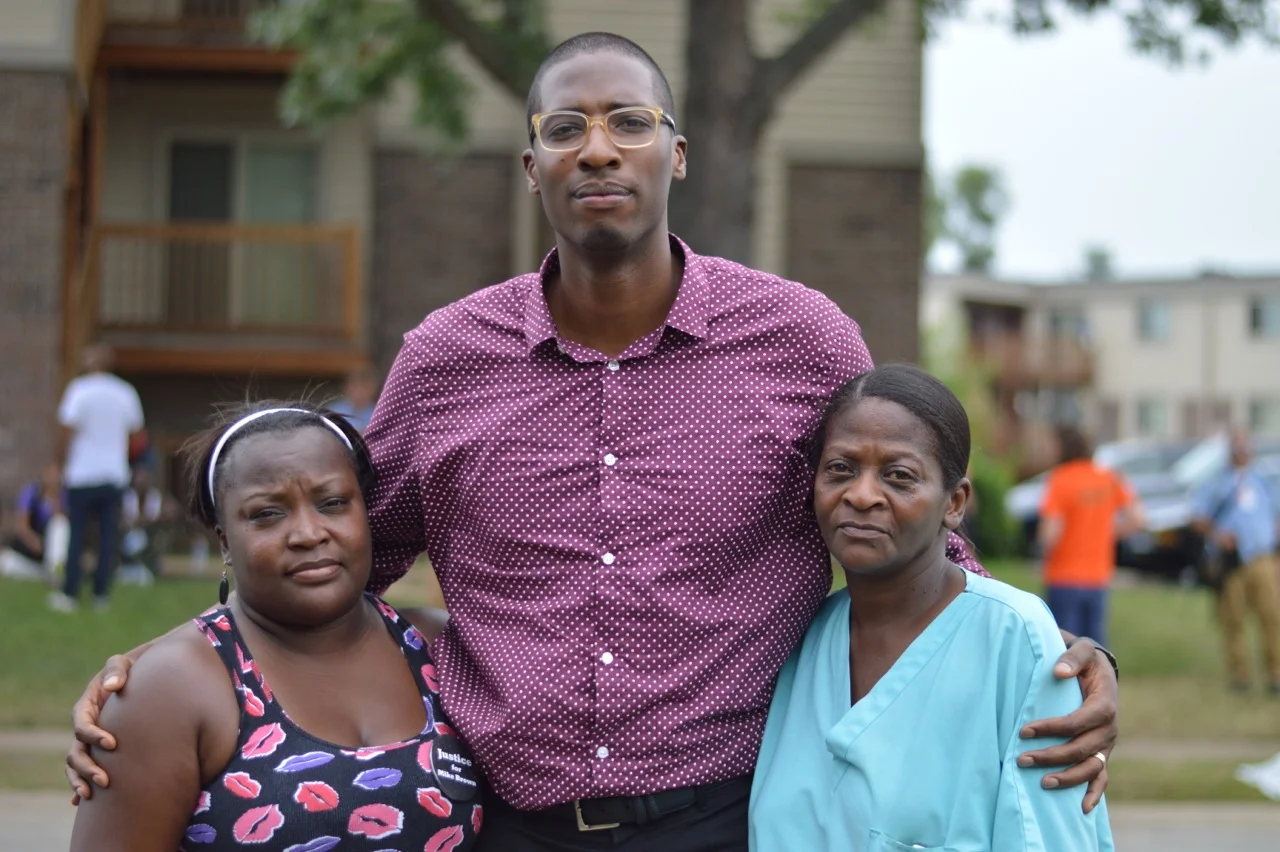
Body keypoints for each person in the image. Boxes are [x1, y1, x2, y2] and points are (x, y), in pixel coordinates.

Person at [67, 32, 1119, 850]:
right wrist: (166, 675)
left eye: (627, 121)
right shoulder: (444, 360)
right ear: (532, 167)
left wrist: (1047, 658)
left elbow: (897, 511)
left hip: (729, 818)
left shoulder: (799, 339)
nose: (598, 147)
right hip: (509, 823)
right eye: (566, 129)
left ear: (677, 151)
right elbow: (339, 569)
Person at [68, 402, 481, 851]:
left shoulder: (437, 648)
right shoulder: (170, 687)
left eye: (333, 503)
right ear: (224, 539)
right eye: (267, 514)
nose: (308, 532)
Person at [749, 365, 1114, 851]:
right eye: (840, 468)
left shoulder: (1014, 640)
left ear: (955, 502)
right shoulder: (801, 644)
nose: (861, 495)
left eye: (899, 476)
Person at [50, 344, 145, 613]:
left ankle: (70, 592)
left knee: (77, 533)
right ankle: (101, 593)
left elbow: (66, 432)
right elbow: (137, 434)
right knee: (107, 535)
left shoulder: (78, 390)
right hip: (113, 473)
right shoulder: (125, 392)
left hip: (82, 473)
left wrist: (59, 463)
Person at [1037, 427, 1145, 648]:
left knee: (1063, 646)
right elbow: (1138, 519)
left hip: (1064, 576)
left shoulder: (1060, 479)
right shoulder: (1107, 478)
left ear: (1063, 448)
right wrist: (1108, 532)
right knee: (1095, 648)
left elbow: (1050, 533)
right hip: (1098, 575)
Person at [1191, 427, 1280, 694]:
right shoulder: (1216, 483)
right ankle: (1240, 675)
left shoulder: (1263, 480)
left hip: (1261, 558)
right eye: (1237, 446)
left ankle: (1275, 674)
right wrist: (1219, 535)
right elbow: (1198, 518)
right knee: (1234, 619)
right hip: (1232, 562)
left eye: (1246, 446)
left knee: (1271, 616)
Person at [0, 462, 68, 582]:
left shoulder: (64, 496)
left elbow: (63, 523)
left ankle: (56, 570)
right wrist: (33, 541)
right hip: (35, 544)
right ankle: (42, 574)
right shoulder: (32, 493)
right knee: (5, 562)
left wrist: (55, 500)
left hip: (54, 543)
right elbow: (22, 526)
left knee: (59, 524)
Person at [117, 465, 178, 585]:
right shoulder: (128, 497)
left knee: (158, 537)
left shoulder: (156, 496)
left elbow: (171, 511)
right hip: (128, 532)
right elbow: (123, 517)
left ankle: (149, 568)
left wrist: (148, 521)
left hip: (150, 533)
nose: (140, 482)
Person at [330, 365, 380, 433]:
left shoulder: (378, 413)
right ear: (347, 387)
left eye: (364, 386)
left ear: (373, 388)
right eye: (355, 386)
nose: (359, 391)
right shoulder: (334, 411)